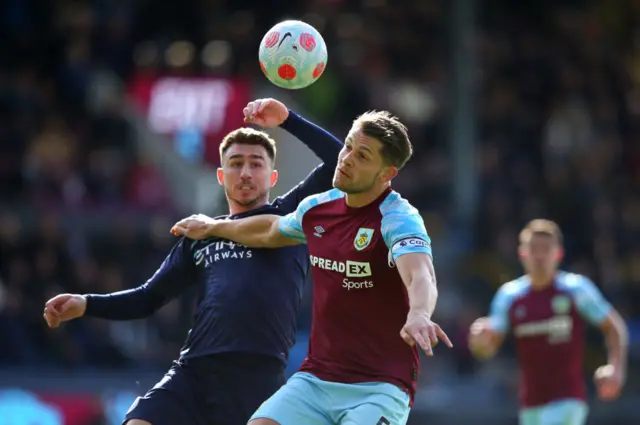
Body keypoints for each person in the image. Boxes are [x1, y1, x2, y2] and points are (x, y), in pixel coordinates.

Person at [42, 98, 343, 425]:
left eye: (256, 164)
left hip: (257, 379)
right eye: (236, 163)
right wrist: (85, 303)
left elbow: (340, 160)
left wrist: (288, 119)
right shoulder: (201, 234)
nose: (245, 172)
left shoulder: (290, 215)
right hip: (193, 372)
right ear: (220, 175)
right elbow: (148, 298)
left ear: (272, 177)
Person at [171, 110, 453, 425]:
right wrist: (213, 227)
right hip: (316, 379)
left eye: (362, 156)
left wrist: (419, 314)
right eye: (347, 146)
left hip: (380, 385)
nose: (345, 159)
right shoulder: (318, 209)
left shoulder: (398, 217)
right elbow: (267, 231)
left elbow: (420, 273)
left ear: (386, 173)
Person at [468, 219, 628, 425]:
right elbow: (488, 346)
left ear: (558, 253)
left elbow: (613, 326)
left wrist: (616, 368)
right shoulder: (509, 296)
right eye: (534, 248)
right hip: (530, 404)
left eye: (546, 248)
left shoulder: (576, 290)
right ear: (522, 253)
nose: (540, 255)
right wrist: (479, 342)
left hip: (568, 400)